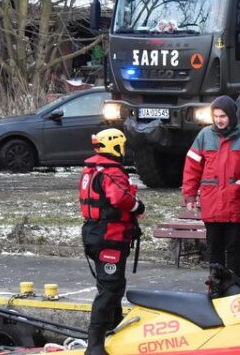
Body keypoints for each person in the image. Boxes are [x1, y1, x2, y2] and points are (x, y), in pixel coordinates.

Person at [79, 128, 146, 355]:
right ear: (114, 145)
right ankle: (95, 345)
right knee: (109, 289)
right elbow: (119, 197)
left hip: (96, 234)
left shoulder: (92, 169)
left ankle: (111, 330)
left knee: (112, 286)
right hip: (109, 236)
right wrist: (138, 206)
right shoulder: (111, 172)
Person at [182, 96, 240, 278]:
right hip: (212, 201)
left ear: (231, 115)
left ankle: (234, 287)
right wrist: (190, 195)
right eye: (215, 116)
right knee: (214, 246)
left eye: (222, 116)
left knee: (233, 247)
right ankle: (216, 285)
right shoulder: (204, 135)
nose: (218, 120)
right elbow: (192, 167)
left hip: (234, 199)